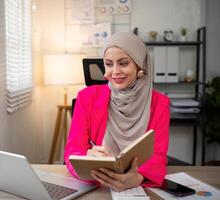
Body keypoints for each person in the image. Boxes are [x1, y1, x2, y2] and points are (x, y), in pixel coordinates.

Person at [64, 32, 170, 191]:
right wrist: (86, 156)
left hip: (137, 187)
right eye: (108, 64)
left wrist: (138, 178)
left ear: (139, 66)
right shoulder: (86, 98)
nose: (114, 72)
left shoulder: (160, 103)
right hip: (98, 186)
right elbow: (73, 150)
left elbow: (157, 155)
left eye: (123, 63)